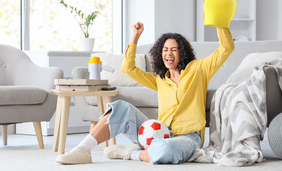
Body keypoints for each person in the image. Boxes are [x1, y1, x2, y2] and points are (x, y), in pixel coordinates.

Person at [56, 21, 235, 165]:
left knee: (167, 150)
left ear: (182, 53)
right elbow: (128, 68)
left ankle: (132, 153)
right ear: (160, 54)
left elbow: (226, 49)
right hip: (157, 132)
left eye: (173, 49)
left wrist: (219, 21)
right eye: (165, 50)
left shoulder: (198, 70)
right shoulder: (159, 80)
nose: (169, 53)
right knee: (120, 107)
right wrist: (135, 37)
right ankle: (82, 150)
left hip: (188, 137)